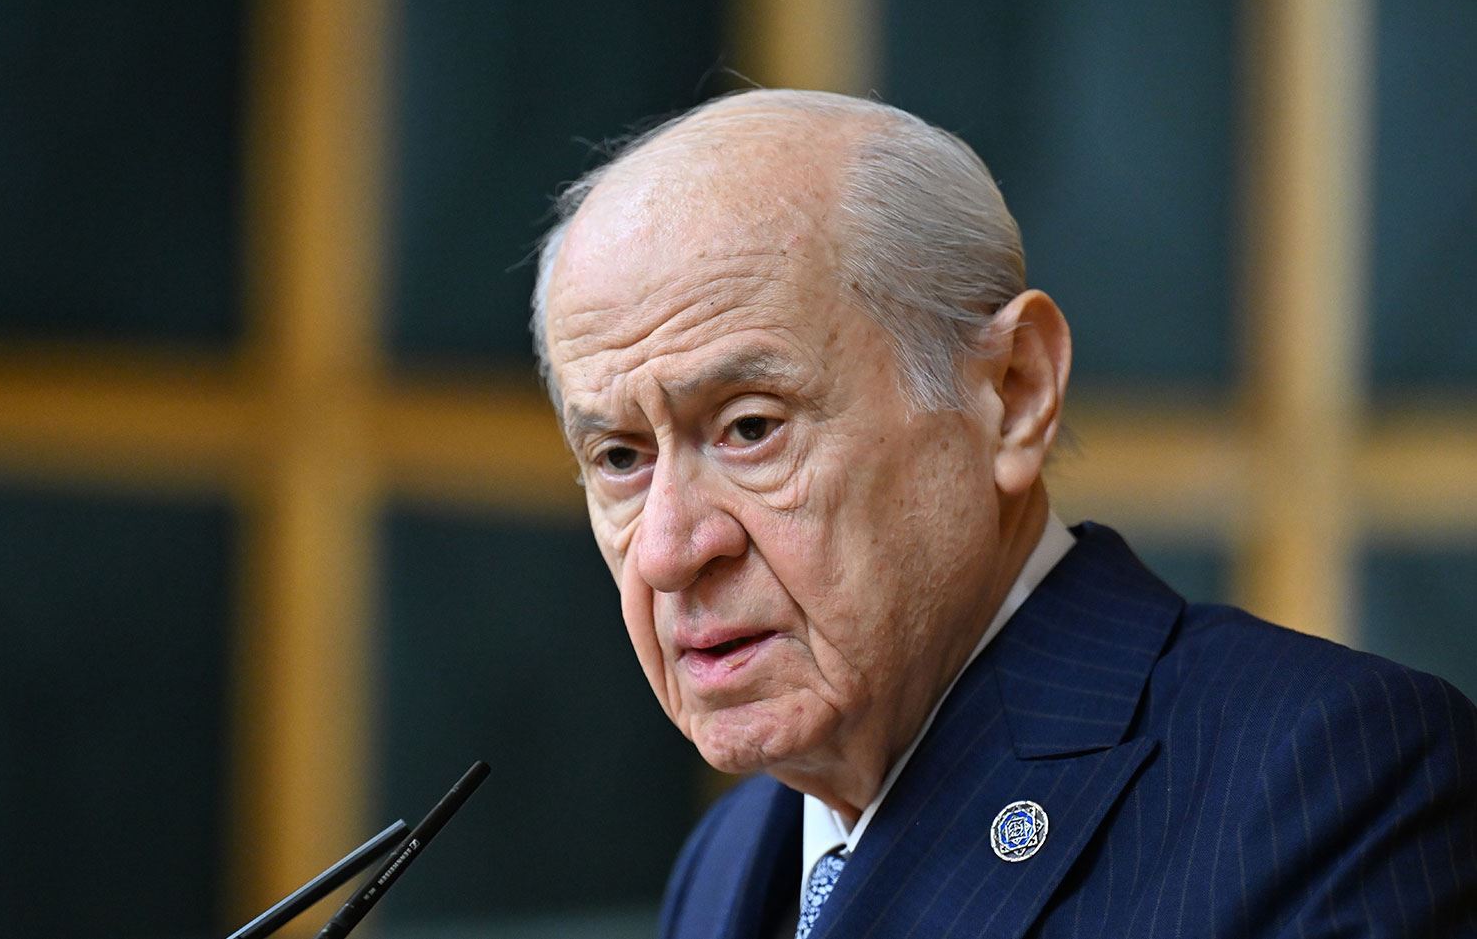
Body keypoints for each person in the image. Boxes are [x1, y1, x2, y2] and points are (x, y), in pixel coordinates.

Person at [528, 90, 1477, 938]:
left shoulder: (1326, 778)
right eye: (620, 457)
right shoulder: (732, 851)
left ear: (1014, 394)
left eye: (750, 428)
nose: (667, 550)